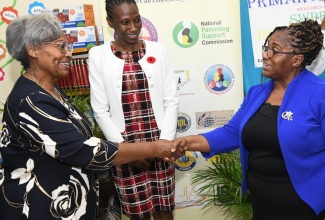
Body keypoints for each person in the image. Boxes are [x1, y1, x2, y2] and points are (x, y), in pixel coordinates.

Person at [0, 13, 185, 220]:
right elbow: (87, 151)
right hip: (40, 208)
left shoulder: (49, 90)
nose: (68, 54)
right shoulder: (31, 100)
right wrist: (156, 147)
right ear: (32, 50)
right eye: (61, 46)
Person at [173, 19, 325, 220]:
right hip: (261, 204)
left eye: (274, 50)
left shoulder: (319, 95)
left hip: (303, 206)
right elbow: (231, 134)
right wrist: (188, 142)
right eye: (266, 47)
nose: (265, 55)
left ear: (296, 60)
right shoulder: (256, 93)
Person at [88, 1, 178, 219]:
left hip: (159, 141)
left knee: (164, 209)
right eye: (124, 22)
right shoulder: (98, 55)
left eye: (136, 20)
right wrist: (126, 153)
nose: (133, 27)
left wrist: (164, 145)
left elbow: (171, 100)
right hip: (125, 145)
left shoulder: (158, 50)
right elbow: (100, 109)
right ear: (111, 23)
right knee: (138, 213)